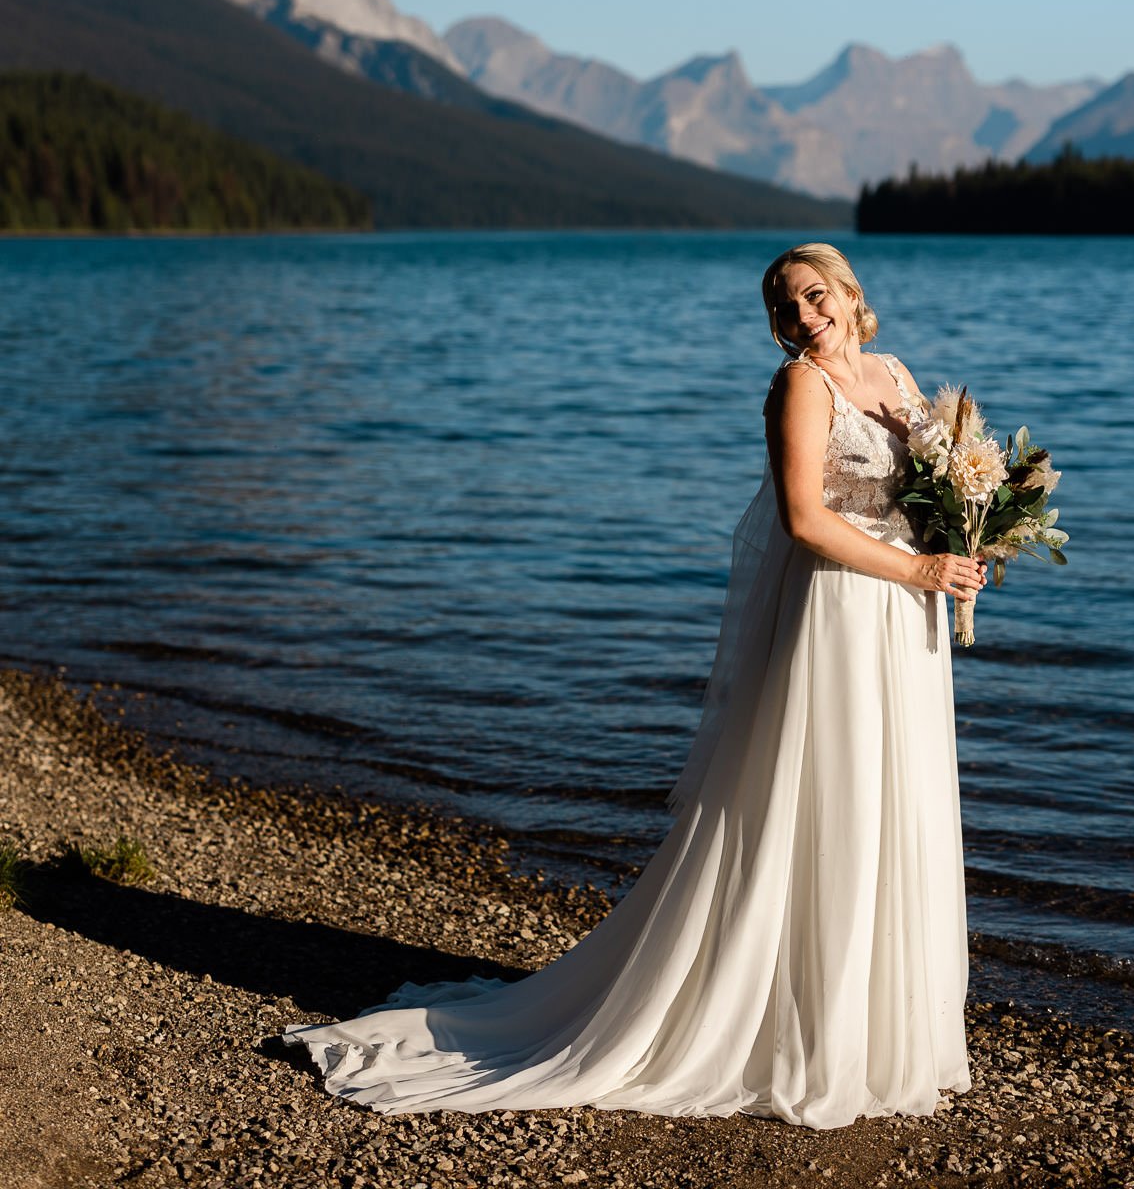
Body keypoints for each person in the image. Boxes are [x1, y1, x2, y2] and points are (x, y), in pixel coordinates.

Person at [284, 242, 986, 1126]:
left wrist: (964, 546)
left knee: (900, 802)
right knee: (831, 803)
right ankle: (808, 1028)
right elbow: (804, 520)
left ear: (850, 293)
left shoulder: (894, 370)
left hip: (903, 619)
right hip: (843, 614)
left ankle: (892, 1028)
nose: (803, 316)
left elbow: (928, 490)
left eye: (814, 297)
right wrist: (915, 572)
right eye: (783, 307)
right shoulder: (799, 389)